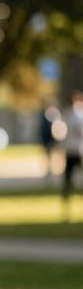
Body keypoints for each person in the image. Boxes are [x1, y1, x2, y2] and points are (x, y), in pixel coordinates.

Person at [62, 91, 83, 219]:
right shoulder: (78, 115)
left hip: (69, 150)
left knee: (68, 179)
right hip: (77, 150)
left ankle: (66, 204)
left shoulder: (67, 115)